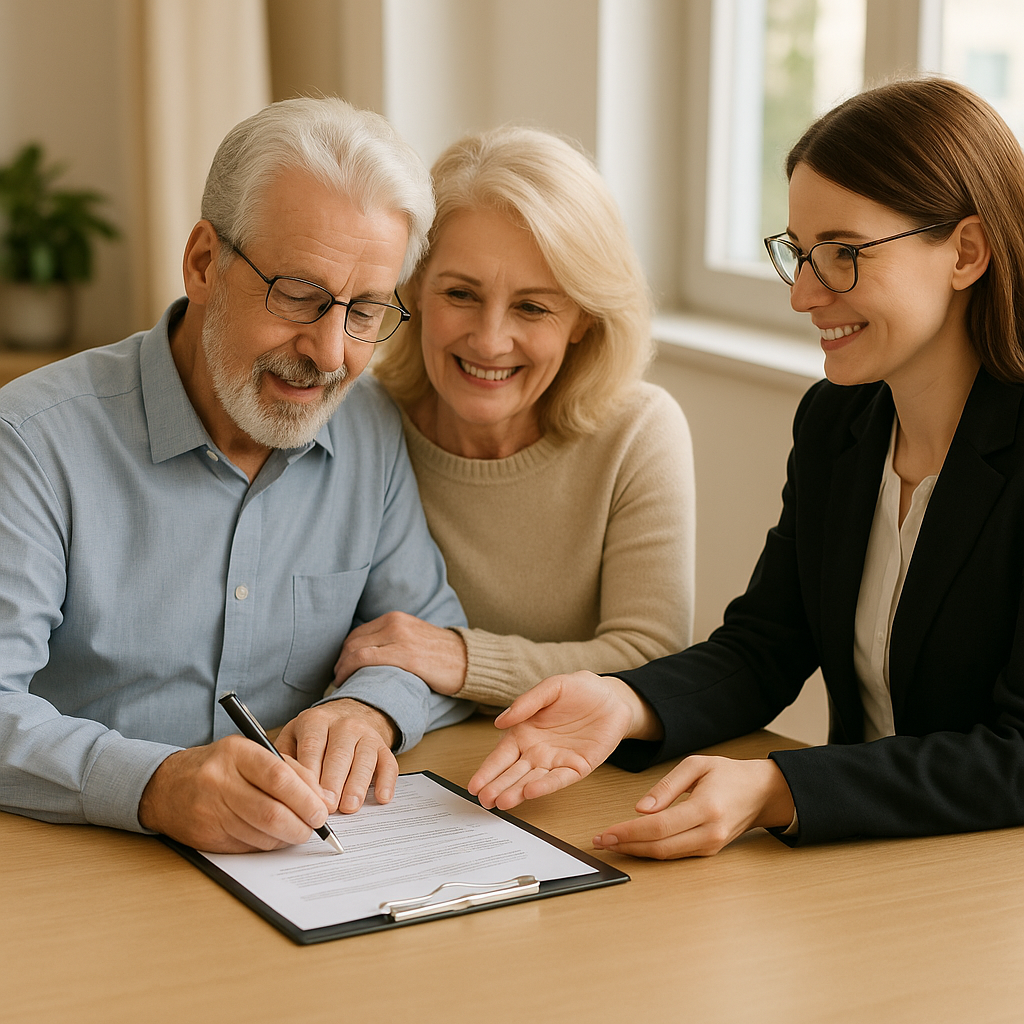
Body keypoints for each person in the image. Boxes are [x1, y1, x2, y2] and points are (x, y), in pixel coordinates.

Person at [467, 77, 1024, 858]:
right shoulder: (840, 424)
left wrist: (779, 788)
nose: (803, 294)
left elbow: (1017, 752)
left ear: (965, 252)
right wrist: (624, 702)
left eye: (842, 255)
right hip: (867, 862)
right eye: (800, 254)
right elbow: (767, 643)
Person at [0, 97, 473, 853]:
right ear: (202, 264)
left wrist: (366, 712)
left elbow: (428, 639)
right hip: (82, 874)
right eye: (300, 296)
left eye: (365, 312)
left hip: (301, 868)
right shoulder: (30, 442)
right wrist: (156, 785)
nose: (328, 352)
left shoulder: (371, 426)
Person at [331, 126, 695, 708]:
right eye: (461, 294)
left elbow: (651, 659)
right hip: (398, 759)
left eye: (532, 307)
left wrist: (460, 656)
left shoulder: (638, 431)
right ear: (417, 285)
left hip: (572, 773)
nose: (490, 340)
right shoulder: (358, 422)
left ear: (583, 320)